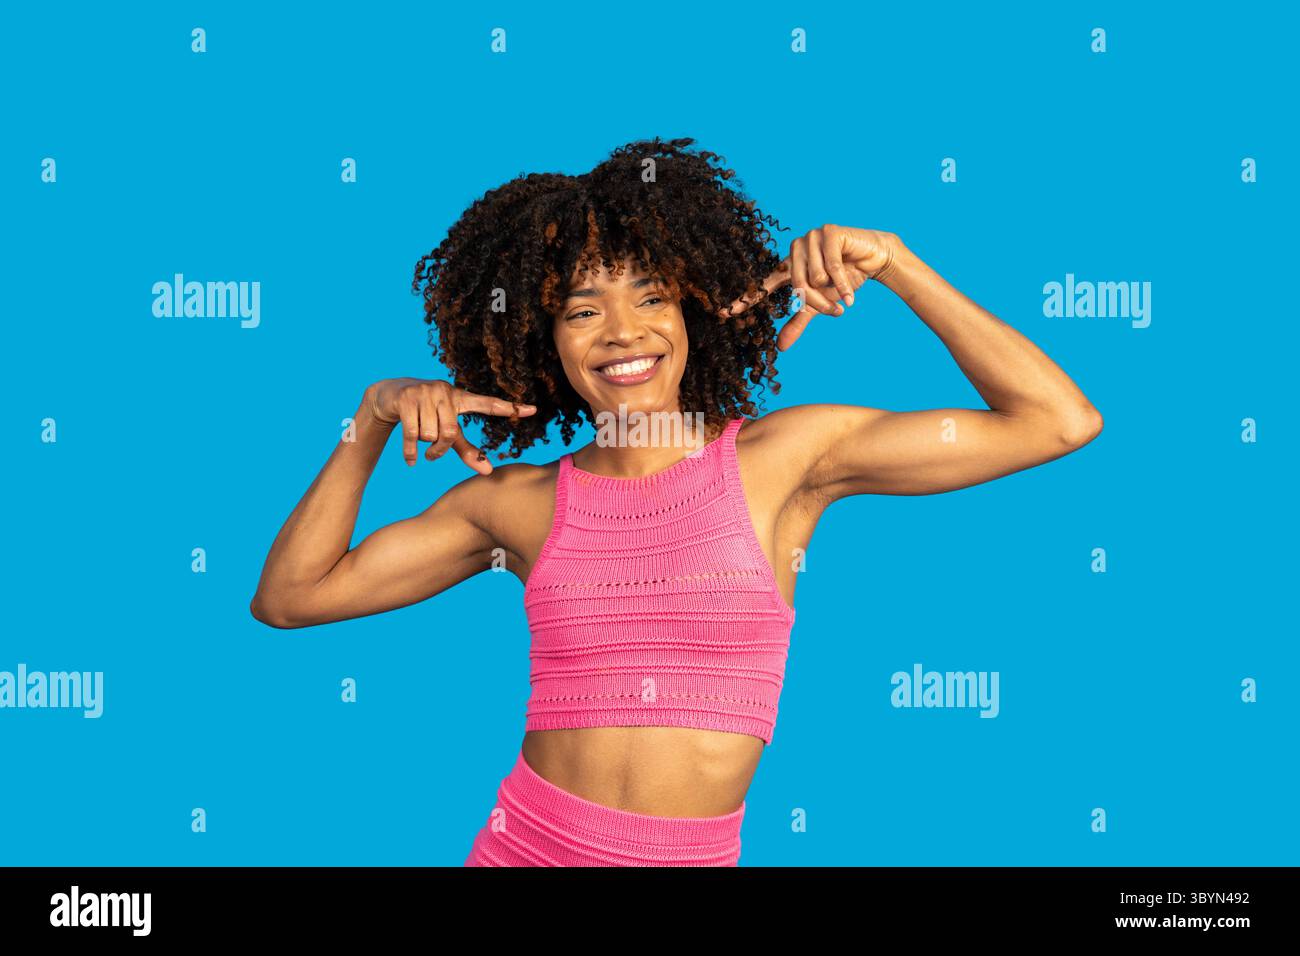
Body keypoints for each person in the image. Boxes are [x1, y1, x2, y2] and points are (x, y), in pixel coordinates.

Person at [249, 137, 1102, 866]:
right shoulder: (517, 506)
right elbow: (291, 597)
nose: (623, 331)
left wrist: (898, 263)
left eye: (651, 296)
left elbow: (1057, 422)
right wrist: (369, 418)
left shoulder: (788, 459)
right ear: (545, 343)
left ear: (693, 311)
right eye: (583, 310)